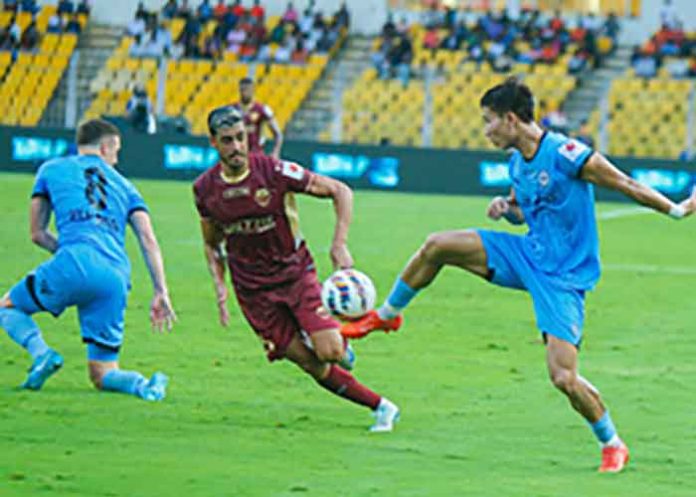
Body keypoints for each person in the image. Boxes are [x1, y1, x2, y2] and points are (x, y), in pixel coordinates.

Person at [341, 78, 696, 472]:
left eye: (489, 121)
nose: (485, 130)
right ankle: (386, 316)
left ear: (511, 119)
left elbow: (625, 182)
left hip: (562, 276)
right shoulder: (515, 162)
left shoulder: (566, 153)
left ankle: (612, 442)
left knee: (563, 377)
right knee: (438, 244)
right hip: (526, 253)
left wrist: (676, 210)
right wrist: (506, 208)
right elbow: (527, 210)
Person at [192, 106, 399, 432]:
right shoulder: (204, 190)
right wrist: (219, 284)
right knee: (309, 362)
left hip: (294, 275)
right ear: (213, 143)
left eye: (241, 138)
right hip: (253, 293)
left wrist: (338, 243)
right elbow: (212, 244)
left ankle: (337, 340)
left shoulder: (273, 172)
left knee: (330, 352)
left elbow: (340, 190)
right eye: (228, 141)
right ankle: (381, 407)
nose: (237, 148)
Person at [0, 119, 176, 400]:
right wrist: (160, 291)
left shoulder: (51, 169)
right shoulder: (127, 186)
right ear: (105, 147)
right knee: (103, 373)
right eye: (116, 151)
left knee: (8, 308)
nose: (116, 159)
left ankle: (42, 354)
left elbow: (37, 233)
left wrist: (70, 260)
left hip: (73, 261)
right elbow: (148, 239)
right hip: (116, 276)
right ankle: (145, 386)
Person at [231, 77, 283, 158]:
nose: (245, 93)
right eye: (243, 90)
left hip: (256, 154)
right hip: (237, 154)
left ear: (253, 90)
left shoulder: (262, 109)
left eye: (248, 90)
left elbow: (278, 134)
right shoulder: (231, 110)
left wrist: (275, 152)